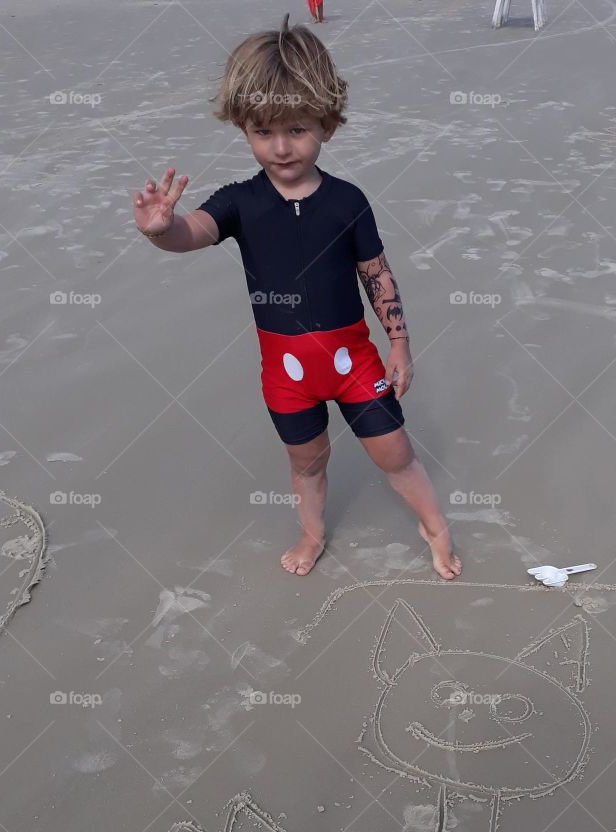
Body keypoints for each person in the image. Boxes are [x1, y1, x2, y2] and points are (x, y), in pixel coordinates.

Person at [131, 15, 461, 580]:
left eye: (297, 130)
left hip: (353, 360)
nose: (281, 147)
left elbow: (376, 274)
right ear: (243, 127)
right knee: (306, 464)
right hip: (284, 370)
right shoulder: (239, 202)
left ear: (328, 126)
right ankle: (312, 534)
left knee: (395, 453)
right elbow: (193, 234)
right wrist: (162, 230)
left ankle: (436, 528)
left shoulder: (348, 201)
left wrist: (399, 344)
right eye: (263, 132)